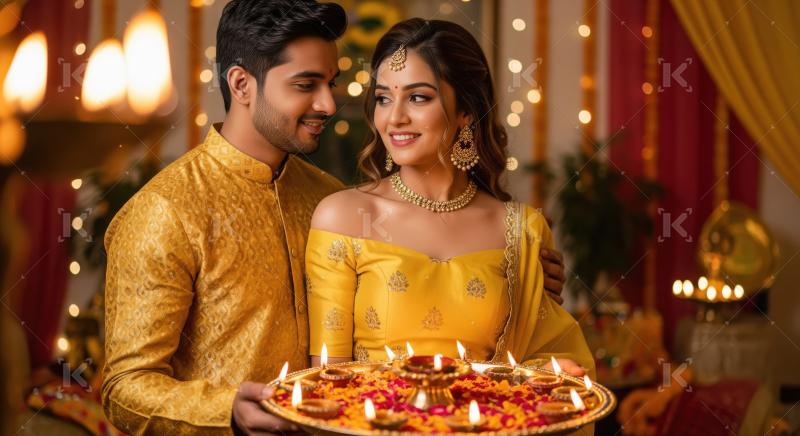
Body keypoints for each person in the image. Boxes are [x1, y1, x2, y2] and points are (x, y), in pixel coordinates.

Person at [102, 2, 567, 434]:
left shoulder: (327, 197)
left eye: (332, 82)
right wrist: (227, 410)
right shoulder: (166, 211)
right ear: (242, 85)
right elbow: (123, 387)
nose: (328, 105)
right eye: (306, 86)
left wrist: (519, 276)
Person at [307, 18, 593, 376]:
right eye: (383, 98)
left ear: (465, 112)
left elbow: (546, 361)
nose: (394, 117)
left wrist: (549, 376)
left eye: (417, 97)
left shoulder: (521, 230)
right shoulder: (343, 217)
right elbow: (325, 383)